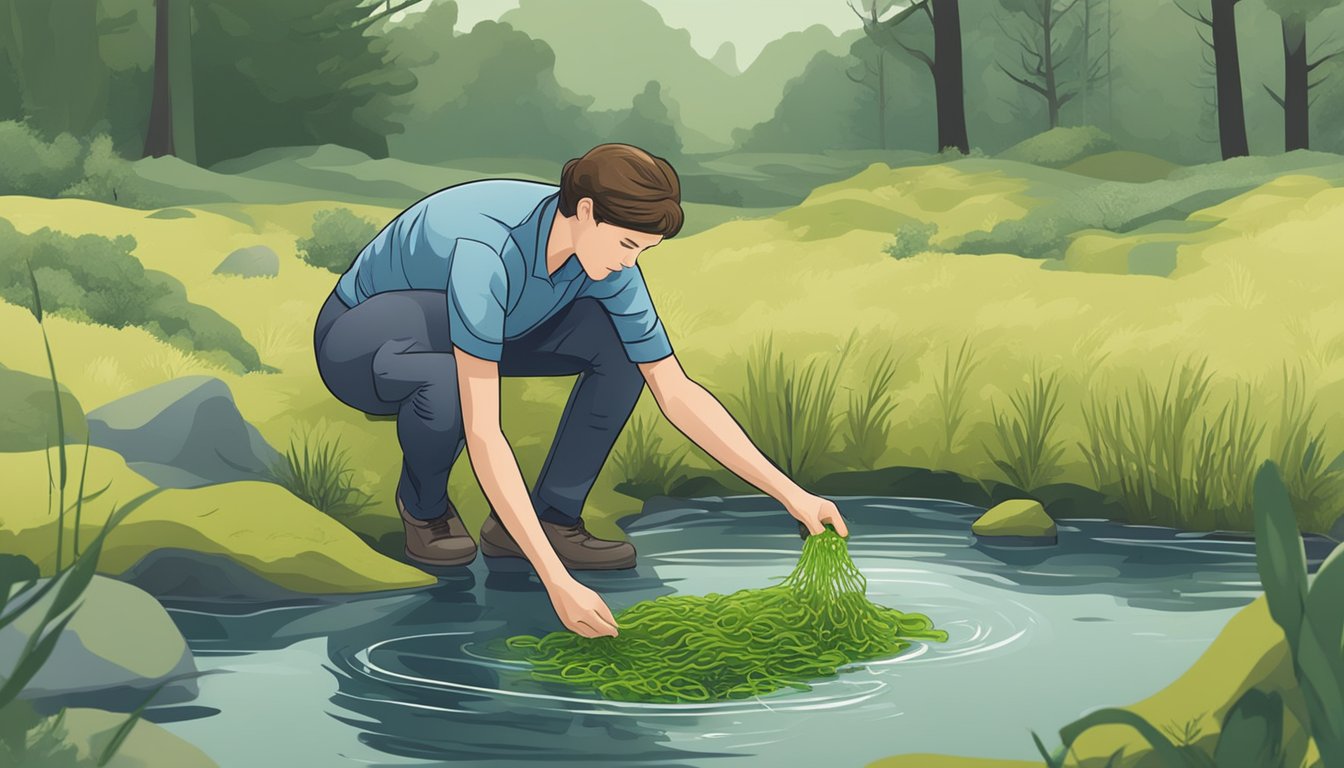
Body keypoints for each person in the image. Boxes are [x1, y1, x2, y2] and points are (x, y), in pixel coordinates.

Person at [312, 142, 850, 640]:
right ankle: (423, 508)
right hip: (365, 337)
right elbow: (484, 430)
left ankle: (551, 517)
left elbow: (675, 388)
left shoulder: (607, 259)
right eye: (626, 244)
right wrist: (556, 583)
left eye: (643, 249)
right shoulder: (488, 248)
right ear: (587, 211)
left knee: (621, 351)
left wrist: (793, 496)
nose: (629, 261)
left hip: (498, 324)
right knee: (450, 386)